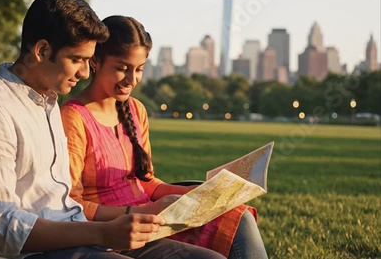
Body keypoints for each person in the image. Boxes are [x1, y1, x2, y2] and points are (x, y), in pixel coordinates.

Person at [0, 0, 223, 259]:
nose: (86, 72)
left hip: (82, 240)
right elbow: (2, 229)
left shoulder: (46, 101)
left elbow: (62, 203)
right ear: (41, 50)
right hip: (33, 254)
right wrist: (101, 233)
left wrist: (114, 227)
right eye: (77, 59)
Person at [60, 15, 268, 259]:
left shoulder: (135, 109)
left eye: (139, 70)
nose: (131, 80)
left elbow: (145, 180)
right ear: (95, 61)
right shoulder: (73, 118)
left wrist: (195, 195)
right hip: (117, 231)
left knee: (238, 214)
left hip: (155, 218)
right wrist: (145, 211)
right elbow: (72, 204)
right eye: (122, 68)